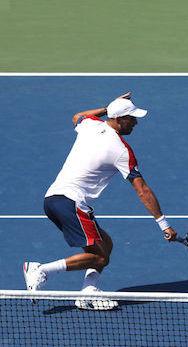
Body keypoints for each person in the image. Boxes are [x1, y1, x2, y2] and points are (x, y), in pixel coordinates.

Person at [23, 92, 177, 309]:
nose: (135, 122)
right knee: (99, 258)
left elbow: (78, 116)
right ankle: (41, 270)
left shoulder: (91, 125)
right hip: (71, 202)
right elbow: (142, 190)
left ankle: (88, 291)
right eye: (131, 118)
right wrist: (164, 224)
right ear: (119, 119)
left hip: (54, 198)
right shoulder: (122, 150)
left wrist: (109, 107)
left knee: (106, 244)